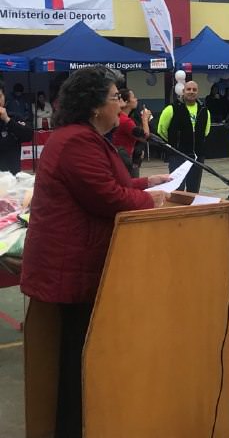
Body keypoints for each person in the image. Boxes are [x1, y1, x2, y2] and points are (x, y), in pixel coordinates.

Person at [20, 66, 170, 438]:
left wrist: (145, 181)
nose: (120, 103)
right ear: (93, 107)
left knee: (81, 355)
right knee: (78, 359)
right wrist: (148, 200)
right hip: (70, 266)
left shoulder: (84, 138)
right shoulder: (77, 142)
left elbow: (107, 182)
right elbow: (106, 197)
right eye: (115, 97)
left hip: (76, 262)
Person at [157, 80, 211, 193]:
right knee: (177, 190)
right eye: (188, 89)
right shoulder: (171, 109)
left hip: (197, 157)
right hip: (178, 156)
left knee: (193, 190)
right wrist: (175, 143)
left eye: (194, 90)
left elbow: (206, 132)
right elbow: (161, 130)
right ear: (183, 91)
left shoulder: (204, 110)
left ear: (198, 92)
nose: (191, 92)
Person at [112, 88, 151, 177]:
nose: (136, 99)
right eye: (133, 97)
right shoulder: (125, 121)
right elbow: (145, 135)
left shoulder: (121, 117)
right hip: (124, 160)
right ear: (126, 102)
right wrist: (145, 119)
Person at [0, 84, 32, 174]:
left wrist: (7, 120)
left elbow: (29, 135)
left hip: (12, 179)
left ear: (4, 97)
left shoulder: (14, 117)